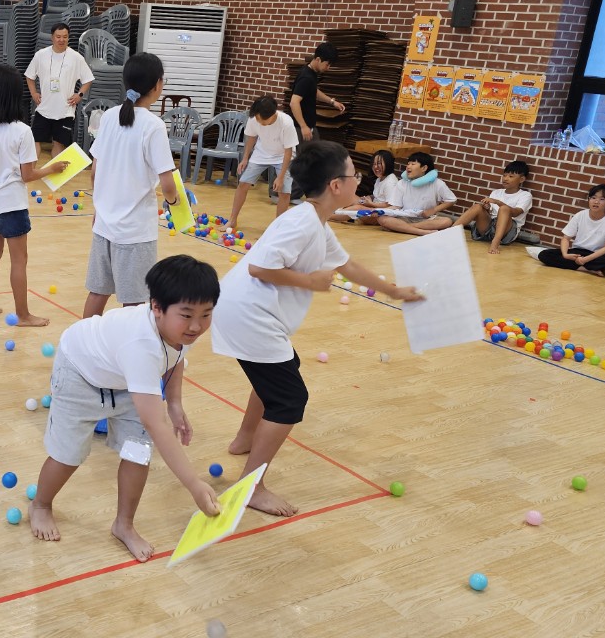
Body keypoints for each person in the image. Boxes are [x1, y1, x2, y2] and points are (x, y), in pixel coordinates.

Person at [211, 141, 422, 517]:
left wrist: (395, 291)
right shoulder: (301, 223)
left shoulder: (315, 222)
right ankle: (252, 487)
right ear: (335, 186)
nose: (358, 181)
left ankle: (245, 438)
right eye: (353, 175)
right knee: (290, 400)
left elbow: (346, 265)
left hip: (248, 312)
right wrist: (311, 282)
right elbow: (260, 268)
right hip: (249, 315)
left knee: (282, 370)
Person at [28, 255, 223, 562]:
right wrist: (194, 485)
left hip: (125, 378)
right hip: (81, 372)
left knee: (138, 451)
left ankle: (124, 524)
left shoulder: (181, 328)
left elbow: (176, 357)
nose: (197, 325)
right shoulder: (140, 345)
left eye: (206, 314)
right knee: (68, 455)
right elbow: (157, 426)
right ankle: (40, 504)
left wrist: (174, 402)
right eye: (187, 315)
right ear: (156, 307)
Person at [83, 52, 178, 319]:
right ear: (157, 85)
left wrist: (99, 207)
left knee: (97, 292)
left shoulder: (111, 116)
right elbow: (167, 183)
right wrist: (174, 203)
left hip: (104, 225)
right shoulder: (154, 125)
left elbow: (95, 170)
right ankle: (128, 356)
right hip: (135, 231)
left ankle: (82, 347)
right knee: (135, 304)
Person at [0, 65, 68, 326]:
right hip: (11, 205)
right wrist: (53, 168)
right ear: (16, 95)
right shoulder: (22, 131)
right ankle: (23, 315)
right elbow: (28, 175)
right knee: (19, 260)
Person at [225, 95, 298, 227]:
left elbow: (288, 151)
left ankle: (278, 227)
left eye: (263, 120)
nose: (259, 122)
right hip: (261, 153)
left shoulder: (286, 122)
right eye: (257, 119)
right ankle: (232, 220)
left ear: (273, 114)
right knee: (243, 184)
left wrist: (280, 177)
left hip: (283, 156)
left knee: (285, 191)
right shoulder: (254, 118)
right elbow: (251, 138)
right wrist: (245, 158)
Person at [24, 22, 93, 159]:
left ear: (68, 38)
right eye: (58, 36)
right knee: (35, 141)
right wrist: (33, 93)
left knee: (58, 144)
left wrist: (79, 94)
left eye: (65, 37)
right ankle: (29, 175)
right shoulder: (41, 55)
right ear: (52, 37)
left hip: (65, 110)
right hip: (43, 108)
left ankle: (55, 178)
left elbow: (88, 79)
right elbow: (29, 76)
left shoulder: (76, 57)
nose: (61, 40)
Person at [534, 184, 605, 276]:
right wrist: (565, 254)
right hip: (578, 252)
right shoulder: (580, 215)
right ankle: (586, 269)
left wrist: (585, 259)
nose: (596, 201)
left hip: (596, 255)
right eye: (593, 197)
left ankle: (580, 265)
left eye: (602, 199)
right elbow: (566, 238)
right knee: (544, 255)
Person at [450, 160, 532, 253]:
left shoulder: (525, 195)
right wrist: (486, 208)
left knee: (504, 209)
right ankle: (449, 233)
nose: (505, 178)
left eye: (511, 176)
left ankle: (495, 243)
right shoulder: (496, 192)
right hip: (489, 227)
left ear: (521, 179)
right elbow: (490, 213)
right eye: (504, 175)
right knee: (477, 206)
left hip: (507, 232)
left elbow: (516, 212)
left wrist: (498, 202)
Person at [375, 151, 456, 235]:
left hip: (427, 219)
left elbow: (452, 200)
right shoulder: (402, 183)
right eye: (408, 164)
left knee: (447, 221)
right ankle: (420, 231)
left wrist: (433, 210)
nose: (408, 167)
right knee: (382, 219)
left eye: (413, 164)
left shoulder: (437, 183)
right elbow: (396, 206)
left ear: (424, 168)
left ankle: (404, 227)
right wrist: (380, 211)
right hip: (404, 217)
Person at [288, 42, 345, 143]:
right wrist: (303, 126)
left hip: (308, 126)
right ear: (318, 59)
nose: (328, 68)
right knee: (308, 157)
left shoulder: (311, 73)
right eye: (327, 64)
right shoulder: (306, 77)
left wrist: (332, 102)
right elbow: (294, 102)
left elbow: (313, 91)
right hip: (301, 130)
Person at [331, 149, 397, 224]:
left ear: (388, 164)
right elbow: (380, 195)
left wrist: (371, 204)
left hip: (381, 214)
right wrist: (369, 197)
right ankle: (332, 210)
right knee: (351, 196)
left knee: (357, 208)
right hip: (373, 207)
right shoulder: (380, 178)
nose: (375, 167)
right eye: (374, 164)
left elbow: (390, 205)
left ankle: (328, 216)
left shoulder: (390, 181)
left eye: (379, 164)